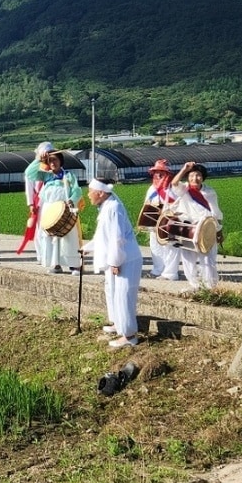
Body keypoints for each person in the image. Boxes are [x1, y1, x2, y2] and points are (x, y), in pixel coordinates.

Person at [85, 179, 143, 348]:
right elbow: (102, 236)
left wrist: (115, 262)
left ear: (100, 193)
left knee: (124, 296)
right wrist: (88, 247)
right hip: (117, 258)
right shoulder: (106, 206)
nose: (88, 195)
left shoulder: (114, 207)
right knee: (113, 292)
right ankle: (118, 324)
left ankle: (130, 335)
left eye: (90, 191)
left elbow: (117, 239)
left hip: (125, 258)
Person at [25, 147, 81, 274]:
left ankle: (74, 265)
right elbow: (29, 173)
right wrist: (39, 160)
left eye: (55, 160)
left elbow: (77, 191)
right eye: (49, 161)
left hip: (65, 208)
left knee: (69, 237)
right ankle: (55, 264)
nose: (52, 163)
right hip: (49, 210)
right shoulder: (45, 175)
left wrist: (72, 200)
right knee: (51, 237)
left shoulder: (68, 175)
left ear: (61, 161)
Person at [168, 161, 224, 290]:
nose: (195, 178)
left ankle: (210, 287)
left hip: (206, 229)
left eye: (198, 175)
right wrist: (184, 169)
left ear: (203, 177)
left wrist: (219, 231)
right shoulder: (185, 189)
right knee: (188, 259)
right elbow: (174, 183)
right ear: (188, 177)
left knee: (207, 259)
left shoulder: (209, 192)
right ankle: (194, 285)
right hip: (188, 228)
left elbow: (216, 213)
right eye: (192, 175)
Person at [142, 159, 181, 281]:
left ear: (168, 174)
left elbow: (178, 205)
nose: (158, 175)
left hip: (169, 222)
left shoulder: (174, 188)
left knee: (171, 246)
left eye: (161, 172)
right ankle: (158, 269)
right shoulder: (151, 189)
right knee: (155, 246)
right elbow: (147, 204)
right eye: (156, 172)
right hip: (154, 223)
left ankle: (171, 273)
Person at [17, 141, 54, 255]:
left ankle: (51, 254)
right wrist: (31, 204)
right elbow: (29, 186)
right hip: (39, 201)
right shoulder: (34, 168)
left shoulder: (53, 167)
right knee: (39, 228)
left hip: (52, 201)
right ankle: (40, 254)